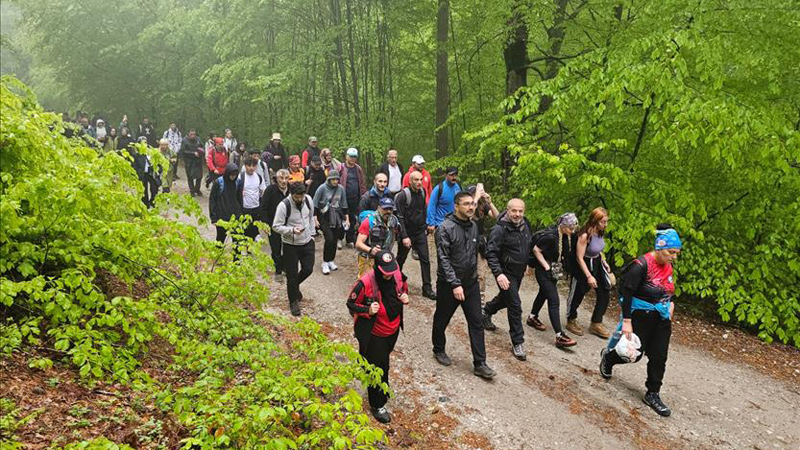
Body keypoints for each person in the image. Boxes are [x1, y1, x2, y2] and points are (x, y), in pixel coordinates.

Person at [599, 226, 682, 417]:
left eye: (677, 253)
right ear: (660, 247)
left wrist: (671, 305)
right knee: (634, 354)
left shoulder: (668, 265)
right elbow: (625, 293)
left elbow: (667, 289)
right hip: (640, 317)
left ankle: (653, 393)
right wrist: (627, 320)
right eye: (671, 252)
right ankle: (608, 358)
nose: (674, 257)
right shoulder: (640, 265)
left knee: (659, 356)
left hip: (661, 318)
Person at [432, 191, 496, 379]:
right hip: (449, 284)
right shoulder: (444, 228)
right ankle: (438, 349)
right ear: (456, 206)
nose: (471, 207)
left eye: (472, 204)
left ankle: (480, 363)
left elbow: (479, 250)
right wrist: (454, 284)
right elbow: (443, 258)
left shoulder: (474, 226)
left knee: (476, 322)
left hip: (470, 283)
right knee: (442, 319)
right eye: (466, 204)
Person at [346, 251, 410, 424]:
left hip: (392, 329)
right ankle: (377, 404)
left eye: (391, 272)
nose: (389, 276)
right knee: (378, 366)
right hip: (374, 333)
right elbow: (351, 304)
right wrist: (367, 311)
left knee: (383, 360)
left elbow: (403, 288)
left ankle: (380, 381)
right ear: (377, 268)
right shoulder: (365, 282)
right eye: (385, 273)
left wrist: (405, 297)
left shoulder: (397, 275)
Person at [481, 199, 533, 360]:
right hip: (505, 273)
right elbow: (491, 253)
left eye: (520, 211)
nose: (517, 214)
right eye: (514, 211)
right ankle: (517, 342)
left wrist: (528, 264)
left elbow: (527, 245)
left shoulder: (525, 224)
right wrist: (498, 274)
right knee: (515, 305)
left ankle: (486, 311)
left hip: (519, 272)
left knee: (506, 299)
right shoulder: (499, 229)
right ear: (508, 210)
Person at [526, 213, 579, 348]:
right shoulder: (550, 236)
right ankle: (559, 336)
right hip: (543, 270)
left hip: (554, 270)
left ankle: (532, 317)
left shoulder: (566, 236)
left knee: (543, 294)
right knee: (554, 300)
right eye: (570, 228)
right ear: (562, 226)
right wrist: (545, 265)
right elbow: (536, 250)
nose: (572, 231)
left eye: (573, 228)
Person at [566, 207, 612, 338]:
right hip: (583, 265)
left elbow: (598, 249)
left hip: (596, 262)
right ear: (595, 221)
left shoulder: (600, 232)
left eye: (606, 221)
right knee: (578, 292)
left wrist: (604, 261)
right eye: (603, 222)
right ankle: (571, 319)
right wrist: (589, 276)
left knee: (605, 290)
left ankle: (596, 322)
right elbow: (579, 257)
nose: (606, 224)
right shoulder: (585, 235)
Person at [272, 182, 316, 316]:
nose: (299, 199)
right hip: (290, 245)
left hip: (307, 241)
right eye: (296, 197)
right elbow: (276, 226)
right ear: (291, 195)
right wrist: (291, 230)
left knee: (308, 269)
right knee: (291, 275)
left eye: (301, 197)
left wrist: (312, 234)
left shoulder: (308, 200)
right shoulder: (283, 205)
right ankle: (293, 301)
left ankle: (294, 288)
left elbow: (310, 218)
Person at [395, 170, 436, 300]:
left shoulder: (423, 192)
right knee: (401, 259)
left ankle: (427, 289)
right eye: (416, 180)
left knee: (425, 260)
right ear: (410, 181)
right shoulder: (403, 196)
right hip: (407, 233)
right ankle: (395, 283)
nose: (419, 182)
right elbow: (399, 217)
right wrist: (404, 236)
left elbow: (424, 210)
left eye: (420, 180)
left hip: (420, 232)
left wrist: (427, 225)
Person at [355, 198, 410, 278]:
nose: (388, 211)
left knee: (385, 281)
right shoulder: (369, 221)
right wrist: (371, 250)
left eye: (390, 209)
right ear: (379, 208)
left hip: (384, 256)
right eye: (385, 209)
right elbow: (358, 244)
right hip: (368, 258)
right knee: (366, 283)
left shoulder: (394, 220)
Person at [313, 170, 350, 275]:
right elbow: (315, 204)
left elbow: (344, 205)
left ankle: (331, 260)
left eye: (336, 179)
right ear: (328, 179)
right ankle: (325, 262)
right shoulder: (322, 188)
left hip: (337, 217)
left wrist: (347, 219)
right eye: (333, 179)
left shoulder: (341, 189)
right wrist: (315, 219)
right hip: (324, 217)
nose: (335, 181)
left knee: (335, 239)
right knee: (329, 239)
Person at [467, 184, 499, 302]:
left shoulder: (482, 207)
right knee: (466, 270)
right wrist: (474, 198)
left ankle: (480, 298)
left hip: (480, 243)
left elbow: (497, 217)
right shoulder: (467, 207)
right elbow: (468, 215)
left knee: (481, 273)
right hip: (467, 242)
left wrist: (489, 202)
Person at [262, 169, 290, 276]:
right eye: (281, 178)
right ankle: (278, 269)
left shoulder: (291, 189)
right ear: (276, 179)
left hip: (288, 224)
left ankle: (286, 267)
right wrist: (264, 223)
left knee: (288, 247)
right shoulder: (270, 190)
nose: (283, 181)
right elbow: (264, 208)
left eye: (286, 178)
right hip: (273, 224)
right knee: (275, 248)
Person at [209, 163, 243, 243]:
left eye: (235, 175)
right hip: (222, 216)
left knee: (237, 240)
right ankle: (217, 255)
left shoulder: (238, 182)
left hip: (235, 216)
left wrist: (241, 213)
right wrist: (214, 218)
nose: (232, 177)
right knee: (220, 240)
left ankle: (236, 256)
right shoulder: (219, 183)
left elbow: (240, 198)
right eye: (231, 175)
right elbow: (212, 200)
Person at [340, 148, 367, 246]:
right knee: (342, 217)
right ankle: (340, 237)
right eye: (351, 156)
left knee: (352, 219)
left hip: (355, 198)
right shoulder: (341, 168)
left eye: (354, 157)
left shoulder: (358, 169)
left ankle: (349, 239)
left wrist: (364, 196)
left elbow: (362, 183)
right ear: (346, 156)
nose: (352, 159)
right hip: (343, 198)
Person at [239, 156, 268, 241]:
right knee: (246, 227)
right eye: (249, 165)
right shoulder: (241, 177)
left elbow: (263, 190)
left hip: (256, 206)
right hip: (244, 207)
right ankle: (246, 245)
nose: (251, 168)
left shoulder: (259, 177)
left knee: (254, 224)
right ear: (245, 166)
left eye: (253, 166)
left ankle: (255, 237)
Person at [426, 167, 462, 231]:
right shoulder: (439, 188)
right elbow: (431, 205)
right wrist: (431, 223)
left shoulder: (458, 187)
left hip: (455, 223)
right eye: (451, 175)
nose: (454, 177)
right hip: (441, 224)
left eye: (455, 175)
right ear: (446, 176)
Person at [180, 129, 205, 196]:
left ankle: (197, 189)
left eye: (194, 134)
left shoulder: (198, 139)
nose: (193, 136)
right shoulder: (184, 140)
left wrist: (201, 151)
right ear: (188, 134)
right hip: (189, 161)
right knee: (190, 177)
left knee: (199, 176)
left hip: (198, 161)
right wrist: (193, 153)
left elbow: (202, 146)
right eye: (191, 134)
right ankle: (192, 190)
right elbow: (183, 151)